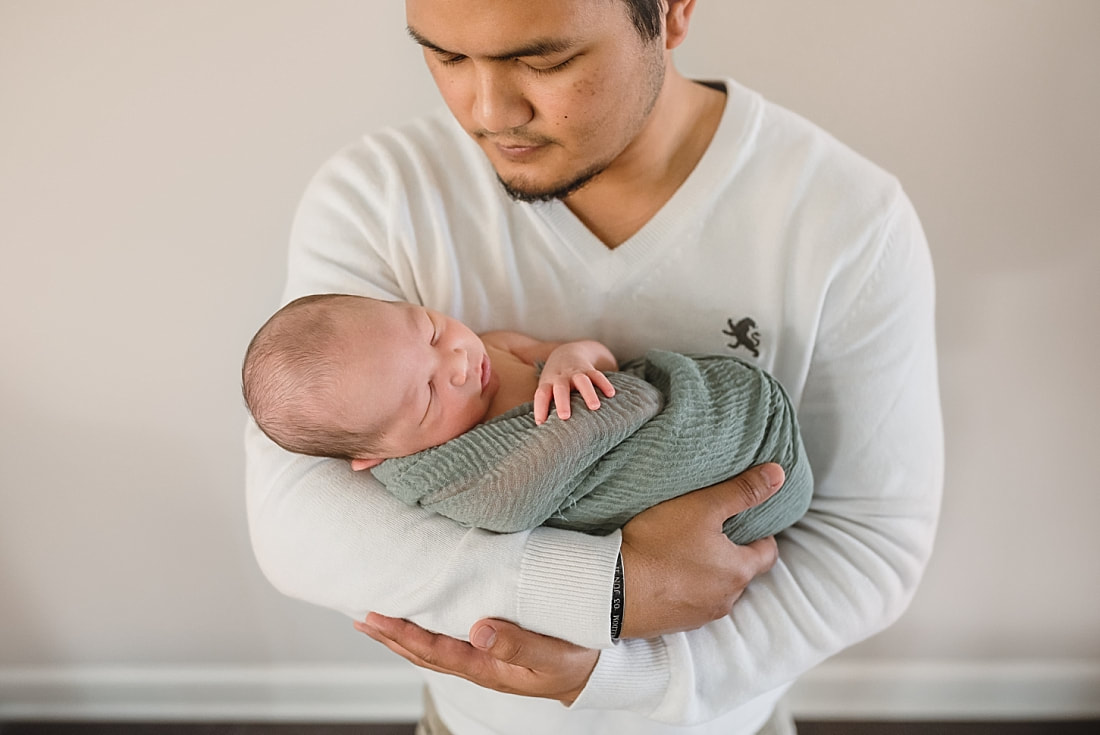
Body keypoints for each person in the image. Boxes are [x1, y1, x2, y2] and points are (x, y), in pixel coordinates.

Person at [244, 1, 944, 733]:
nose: (488, 111)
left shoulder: (846, 216)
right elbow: (298, 516)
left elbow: (871, 544)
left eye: (543, 60)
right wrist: (609, 590)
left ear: (671, 13)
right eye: (446, 57)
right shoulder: (375, 196)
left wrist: (628, 678)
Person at [242, 293, 812, 543]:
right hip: (709, 477)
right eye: (431, 394)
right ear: (378, 455)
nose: (460, 362)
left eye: (433, 331)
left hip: (697, 405)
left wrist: (568, 358)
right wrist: (597, 402)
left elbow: (604, 360)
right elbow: (624, 406)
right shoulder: (467, 482)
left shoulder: (493, 347)